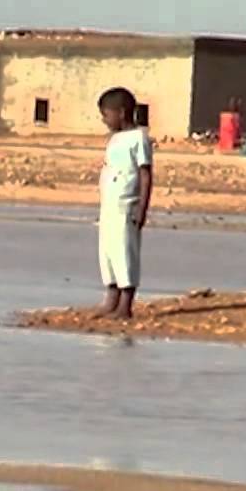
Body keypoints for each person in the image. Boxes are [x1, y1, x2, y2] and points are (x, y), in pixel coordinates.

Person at [96, 87, 153, 320]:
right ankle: (111, 296)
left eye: (106, 114)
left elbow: (145, 174)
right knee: (107, 251)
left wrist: (142, 208)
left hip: (126, 205)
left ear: (121, 112)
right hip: (109, 204)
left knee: (125, 252)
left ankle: (125, 303)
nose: (104, 120)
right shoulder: (115, 139)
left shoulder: (139, 138)